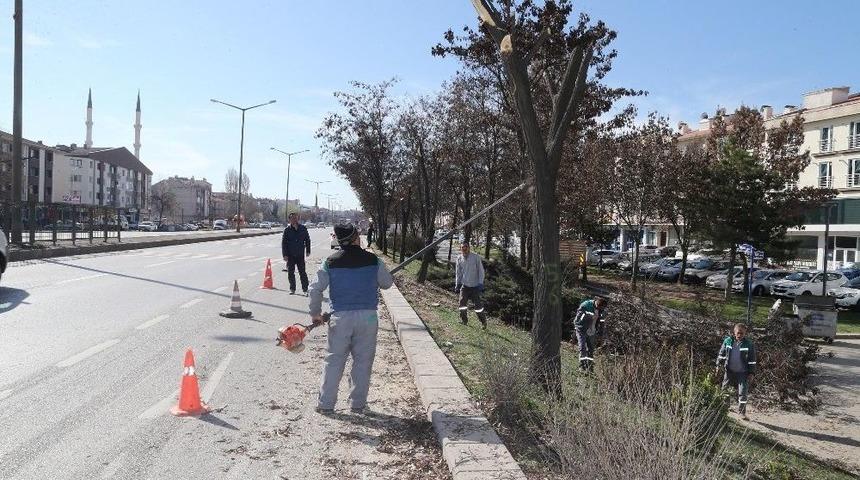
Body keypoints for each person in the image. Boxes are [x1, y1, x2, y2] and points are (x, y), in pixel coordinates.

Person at [309, 223, 394, 414]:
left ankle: (326, 404)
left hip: (340, 318)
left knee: (334, 361)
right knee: (363, 362)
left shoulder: (330, 262)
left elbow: (314, 289)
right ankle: (357, 404)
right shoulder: (373, 260)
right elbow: (387, 283)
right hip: (368, 318)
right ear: (356, 238)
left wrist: (315, 313)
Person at [716, 323, 757, 420]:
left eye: (742, 333)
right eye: (738, 333)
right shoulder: (728, 341)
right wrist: (718, 366)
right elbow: (721, 354)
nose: (740, 335)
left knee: (743, 392)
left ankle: (742, 412)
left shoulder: (749, 344)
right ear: (734, 332)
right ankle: (725, 407)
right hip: (729, 370)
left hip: (743, 372)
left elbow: (752, 360)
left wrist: (751, 373)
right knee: (725, 389)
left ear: (745, 333)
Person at [455, 242, 487, 329]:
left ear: (469, 248)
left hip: (475, 286)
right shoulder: (459, 258)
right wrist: (457, 284)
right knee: (462, 304)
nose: (464, 249)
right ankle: (464, 320)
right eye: (462, 247)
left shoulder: (475, 257)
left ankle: (483, 322)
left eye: (466, 247)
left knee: (478, 306)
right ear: (461, 249)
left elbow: (481, 271)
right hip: (465, 286)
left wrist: (480, 282)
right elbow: (458, 272)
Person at [573, 297, 607, 372]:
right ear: (596, 303)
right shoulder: (586, 305)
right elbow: (578, 319)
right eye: (599, 307)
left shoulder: (602, 310)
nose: (600, 309)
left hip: (592, 331)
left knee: (591, 350)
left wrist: (601, 335)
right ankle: (582, 367)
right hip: (582, 330)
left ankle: (590, 368)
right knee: (582, 348)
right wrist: (579, 326)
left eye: (602, 308)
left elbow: (602, 323)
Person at [281, 212, 312, 295]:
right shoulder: (287, 230)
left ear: (298, 219)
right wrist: (285, 255)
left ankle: (305, 289)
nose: (294, 220)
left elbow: (307, 240)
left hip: (300, 254)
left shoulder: (303, 228)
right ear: (289, 220)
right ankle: (292, 289)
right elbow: (284, 243)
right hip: (290, 255)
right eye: (292, 218)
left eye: (295, 218)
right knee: (290, 273)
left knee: (302, 272)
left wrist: (308, 250)